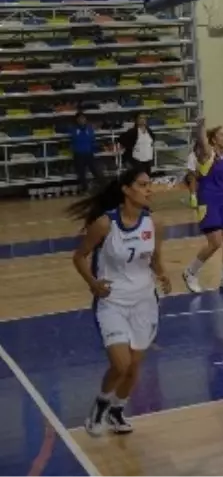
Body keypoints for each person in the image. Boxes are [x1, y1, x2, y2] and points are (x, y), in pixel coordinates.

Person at [69, 167, 170, 436]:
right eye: (143, 184)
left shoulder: (155, 224)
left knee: (134, 366)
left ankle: (117, 410)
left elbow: (155, 258)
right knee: (121, 365)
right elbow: (79, 257)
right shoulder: (105, 224)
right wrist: (92, 283)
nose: (149, 189)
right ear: (126, 189)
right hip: (112, 302)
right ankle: (101, 404)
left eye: (150, 184)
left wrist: (163, 275)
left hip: (145, 302)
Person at [182, 120, 223, 293]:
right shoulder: (207, 154)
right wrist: (200, 127)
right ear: (213, 139)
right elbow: (203, 141)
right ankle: (190, 272)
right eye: (222, 134)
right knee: (215, 242)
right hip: (208, 200)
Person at [70, 110, 104, 191]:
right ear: (76, 120)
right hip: (79, 155)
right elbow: (75, 140)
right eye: (80, 119)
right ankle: (85, 189)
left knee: (96, 171)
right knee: (81, 174)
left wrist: (97, 148)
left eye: (83, 118)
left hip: (89, 154)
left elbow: (93, 141)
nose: (82, 120)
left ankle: (103, 187)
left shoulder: (89, 129)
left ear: (85, 119)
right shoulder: (74, 130)